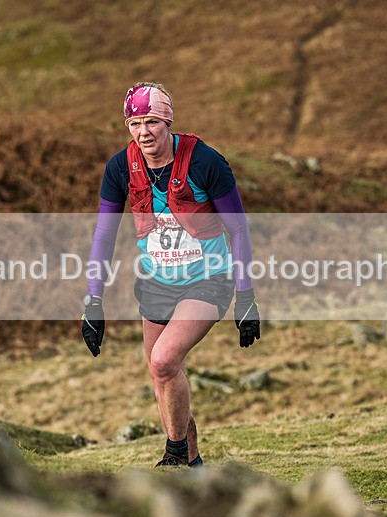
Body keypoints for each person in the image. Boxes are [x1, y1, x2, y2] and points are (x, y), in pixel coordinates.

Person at [81, 82, 261, 467]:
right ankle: (192, 468)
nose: (143, 132)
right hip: (155, 283)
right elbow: (103, 233)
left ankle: (175, 453)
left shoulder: (205, 162)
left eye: (151, 122)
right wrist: (93, 299)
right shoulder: (120, 168)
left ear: (167, 121)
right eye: (134, 123)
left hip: (208, 280)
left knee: (164, 360)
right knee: (161, 376)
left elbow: (240, 228)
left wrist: (245, 297)